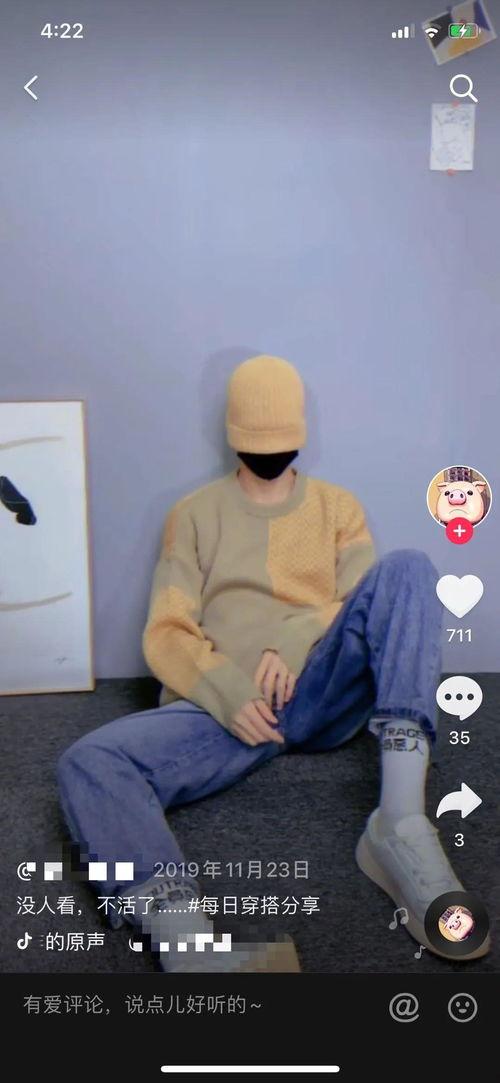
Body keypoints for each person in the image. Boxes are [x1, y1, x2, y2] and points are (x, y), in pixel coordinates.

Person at [57, 354, 488, 970]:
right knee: (90, 760)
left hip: (320, 688)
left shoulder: (338, 507)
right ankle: (188, 949)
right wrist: (230, 692)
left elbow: (365, 604)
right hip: (226, 713)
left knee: (409, 569)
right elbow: (167, 631)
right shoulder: (194, 514)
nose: (269, 453)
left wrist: (292, 638)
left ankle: (400, 823)